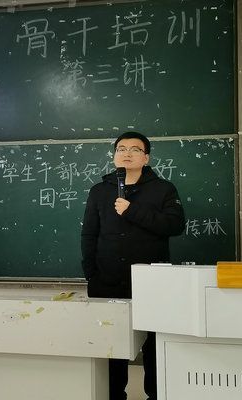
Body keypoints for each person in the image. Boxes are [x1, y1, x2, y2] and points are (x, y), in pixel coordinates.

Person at [81, 131, 186, 400]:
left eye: (135, 149)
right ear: (114, 155)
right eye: (121, 149)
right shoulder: (99, 191)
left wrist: (132, 210)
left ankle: (156, 395)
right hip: (107, 281)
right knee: (110, 345)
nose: (127, 153)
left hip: (152, 283)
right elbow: (89, 234)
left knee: (154, 345)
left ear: (146, 157)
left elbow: (175, 225)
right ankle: (114, 395)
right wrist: (91, 274)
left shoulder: (163, 189)